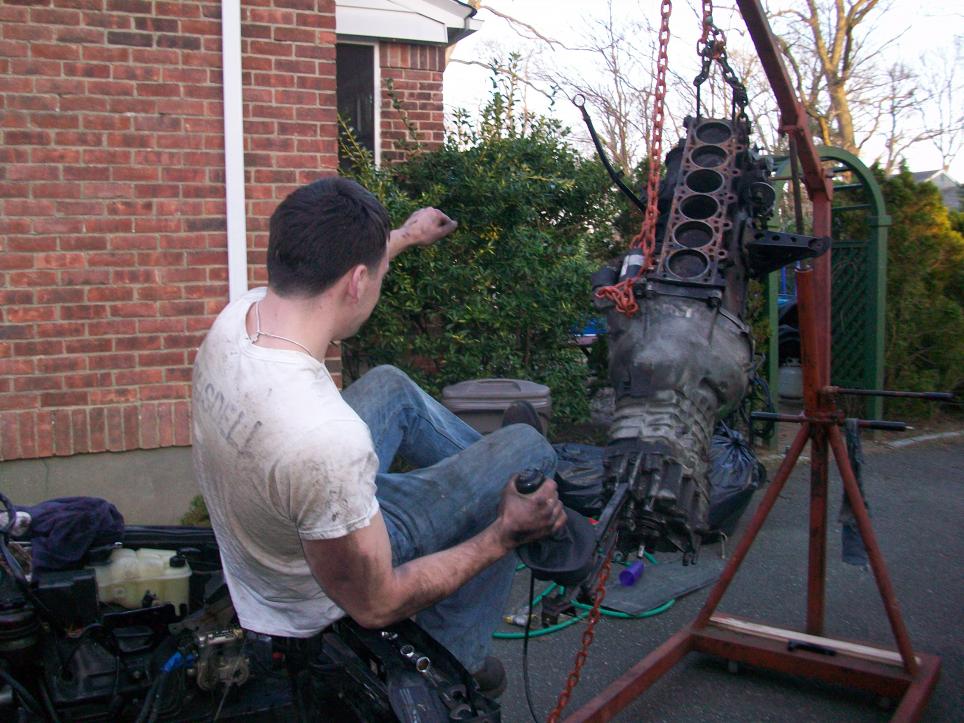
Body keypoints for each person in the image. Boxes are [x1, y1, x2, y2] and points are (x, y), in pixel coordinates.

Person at [191, 176, 565, 697]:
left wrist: (406, 235)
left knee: (390, 386)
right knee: (529, 451)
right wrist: (504, 533)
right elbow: (375, 603)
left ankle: (494, 475)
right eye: (379, 274)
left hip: (271, 518)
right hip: (310, 587)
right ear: (358, 282)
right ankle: (459, 656)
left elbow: (335, 264)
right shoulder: (327, 436)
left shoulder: (239, 317)